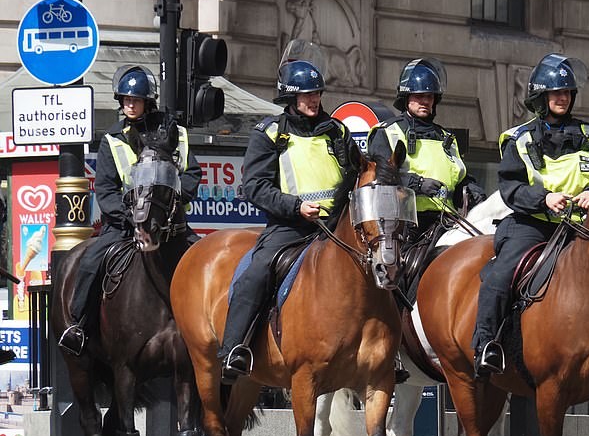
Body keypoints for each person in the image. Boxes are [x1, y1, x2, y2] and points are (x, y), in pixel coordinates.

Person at [218, 59, 359, 383]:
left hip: (336, 227)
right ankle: (234, 350)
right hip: (290, 227)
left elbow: (355, 172)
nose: (313, 100)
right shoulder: (270, 133)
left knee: (379, 268)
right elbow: (254, 186)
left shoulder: (336, 131)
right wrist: (296, 207)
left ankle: (386, 351)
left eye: (317, 94)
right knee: (257, 271)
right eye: (306, 95)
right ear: (290, 98)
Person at [471, 53, 589, 377]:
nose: (562, 97)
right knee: (501, 276)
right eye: (555, 92)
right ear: (541, 97)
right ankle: (486, 345)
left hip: (582, 227)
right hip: (533, 225)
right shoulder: (519, 138)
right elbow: (510, 187)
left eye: (567, 92)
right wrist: (545, 198)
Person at [58, 65, 201, 356]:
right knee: (89, 263)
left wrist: (170, 205)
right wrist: (130, 219)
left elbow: (192, 173)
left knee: (206, 263)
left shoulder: (176, 134)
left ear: (148, 101)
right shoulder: (113, 139)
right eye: (124, 100)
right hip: (124, 227)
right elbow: (106, 188)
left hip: (169, 224)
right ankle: (77, 327)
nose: (129, 105)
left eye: (134, 100)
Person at [366, 57, 486, 267]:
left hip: (447, 223)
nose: (425, 101)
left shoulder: (445, 137)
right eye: (419, 95)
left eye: (429, 96)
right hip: (406, 228)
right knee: (408, 272)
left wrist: (471, 188)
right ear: (406, 96)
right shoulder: (387, 132)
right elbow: (380, 177)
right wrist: (418, 184)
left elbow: (459, 176)